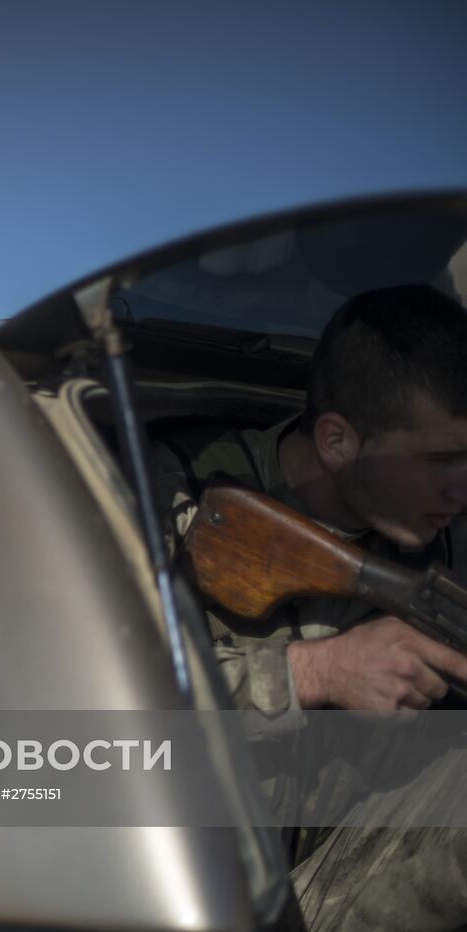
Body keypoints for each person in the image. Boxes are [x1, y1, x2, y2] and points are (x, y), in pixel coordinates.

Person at [156, 284, 467, 930]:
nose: (460, 488)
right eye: (440, 459)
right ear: (336, 442)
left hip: (346, 871)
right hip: (191, 893)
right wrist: (317, 673)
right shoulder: (174, 494)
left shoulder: (446, 536)